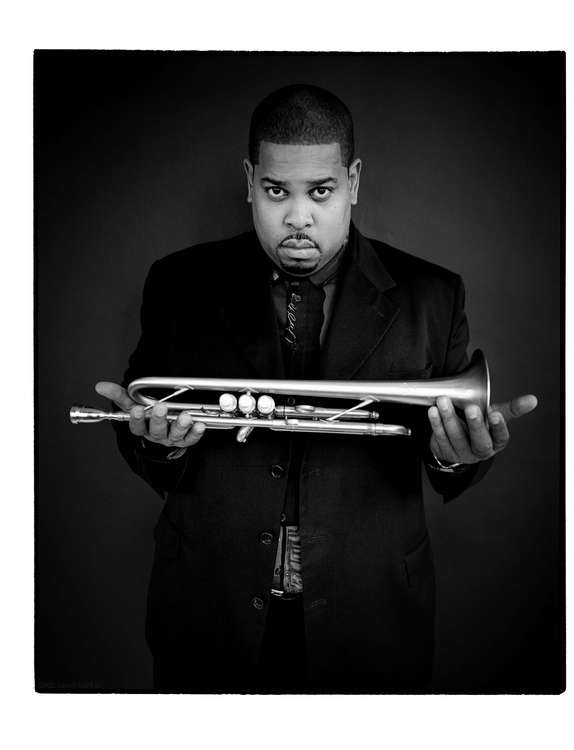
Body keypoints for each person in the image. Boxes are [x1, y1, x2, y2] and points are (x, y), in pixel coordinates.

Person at [96, 84, 537, 693]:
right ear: (249, 181)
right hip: (209, 611)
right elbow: (140, 426)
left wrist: (455, 455)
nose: (298, 217)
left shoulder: (431, 295)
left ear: (353, 182)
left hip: (371, 618)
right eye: (276, 191)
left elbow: (450, 458)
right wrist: (158, 443)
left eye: (321, 192)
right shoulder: (179, 284)